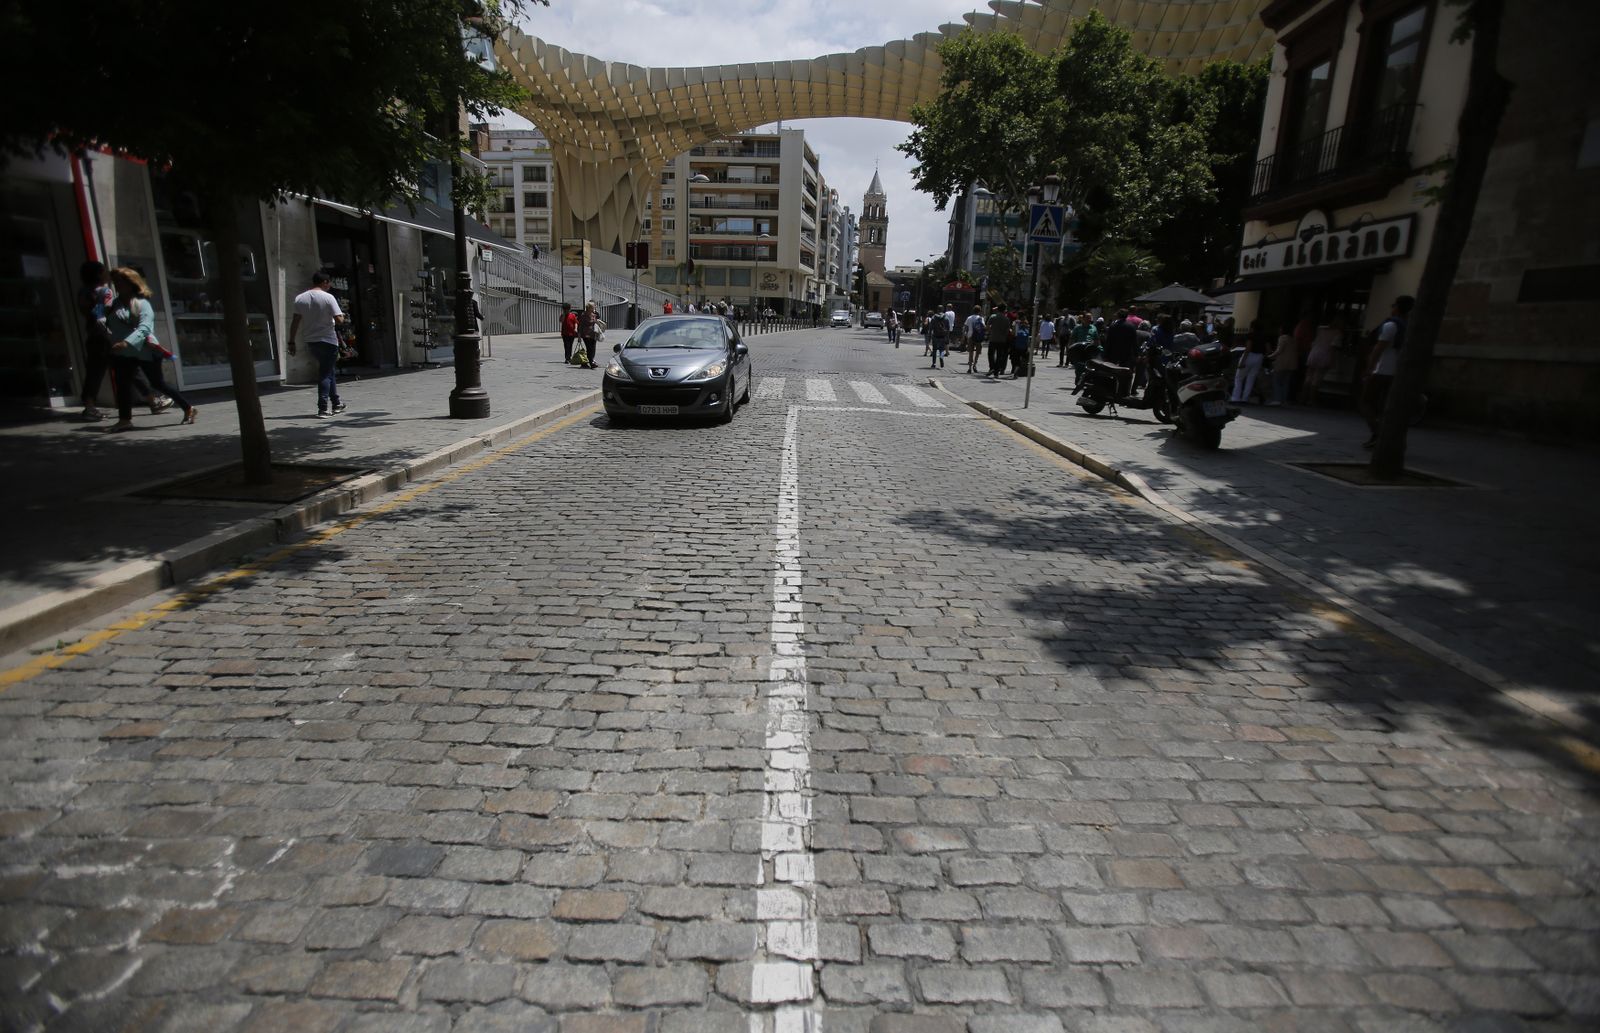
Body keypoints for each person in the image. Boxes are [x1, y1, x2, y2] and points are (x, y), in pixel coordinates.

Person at [106, 267, 197, 430]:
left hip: (145, 350)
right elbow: (107, 323)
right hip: (123, 353)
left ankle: (188, 408)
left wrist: (126, 342)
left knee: (158, 383)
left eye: (120, 282)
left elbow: (145, 328)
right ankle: (124, 420)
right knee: (123, 385)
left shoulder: (142, 304)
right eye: (115, 282)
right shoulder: (113, 305)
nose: (117, 285)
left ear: (131, 283)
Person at [77, 261, 169, 421]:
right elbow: (108, 311)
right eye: (104, 271)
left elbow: (87, 312)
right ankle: (152, 401)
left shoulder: (83, 292)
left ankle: (89, 406)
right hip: (110, 335)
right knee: (131, 368)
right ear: (99, 274)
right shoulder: (105, 292)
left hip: (93, 335)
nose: (107, 275)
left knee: (94, 372)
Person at [287, 270, 347, 419]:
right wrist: (342, 316)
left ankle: (336, 403)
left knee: (329, 370)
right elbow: (339, 320)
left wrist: (291, 341)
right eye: (329, 282)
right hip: (328, 340)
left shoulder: (300, 298)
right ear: (325, 282)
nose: (330, 285)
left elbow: (295, 321)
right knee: (325, 373)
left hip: (311, 340)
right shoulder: (328, 297)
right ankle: (323, 408)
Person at [1361, 295, 1413, 448]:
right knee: (1385, 405)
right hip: (1397, 371)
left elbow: (1378, 349)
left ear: (1396, 307)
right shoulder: (1409, 326)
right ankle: (1382, 434)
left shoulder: (1391, 325)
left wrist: (1369, 368)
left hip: (1382, 369)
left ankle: (1378, 432)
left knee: (1365, 402)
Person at [1301, 314, 1343, 404]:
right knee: (1317, 378)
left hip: (1313, 353)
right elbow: (1333, 347)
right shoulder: (1337, 333)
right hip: (1325, 355)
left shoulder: (1319, 329)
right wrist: (1332, 360)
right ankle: (1312, 399)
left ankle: (1303, 398)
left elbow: (1313, 340)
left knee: (1308, 377)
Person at [1267, 321, 1299, 406]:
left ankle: (1277, 399)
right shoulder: (1293, 339)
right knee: (1286, 382)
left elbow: (1279, 350)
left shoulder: (1282, 338)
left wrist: (1269, 356)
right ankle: (1283, 400)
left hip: (1281, 362)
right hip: (1292, 363)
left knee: (1277, 381)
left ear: (1283, 330)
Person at [1231, 331, 1267, 404]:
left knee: (1239, 378)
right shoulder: (1264, 337)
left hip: (1249, 356)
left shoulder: (1251, 336)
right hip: (1259, 356)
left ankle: (1236, 397)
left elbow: (1248, 348)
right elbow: (1268, 349)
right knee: (1251, 379)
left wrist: (1242, 362)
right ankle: (1245, 398)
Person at [577, 301, 604, 369]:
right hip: (586, 335)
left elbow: (595, 323)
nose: (594, 307)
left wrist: (598, 323)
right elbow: (580, 326)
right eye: (593, 306)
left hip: (593, 334)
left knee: (593, 348)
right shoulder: (583, 316)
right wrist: (579, 336)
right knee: (589, 348)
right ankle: (591, 362)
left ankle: (587, 361)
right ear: (589, 308)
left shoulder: (594, 315)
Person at [987, 307, 1012, 377]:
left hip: (993, 338)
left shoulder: (993, 317)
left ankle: (992, 367)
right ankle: (996, 372)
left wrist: (990, 332)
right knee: (999, 356)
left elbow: (988, 326)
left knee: (990, 354)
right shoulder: (1006, 319)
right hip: (1002, 340)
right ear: (1004, 311)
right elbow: (1007, 331)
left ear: (998, 310)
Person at [1010, 313, 1030, 378]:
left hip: (1016, 342)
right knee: (1024, 358)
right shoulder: (1027, 324)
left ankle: (1014, 369)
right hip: (1024, 345)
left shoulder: (1015, 322)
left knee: (1015, 358)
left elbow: (1013, 333)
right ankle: (1020, 370)